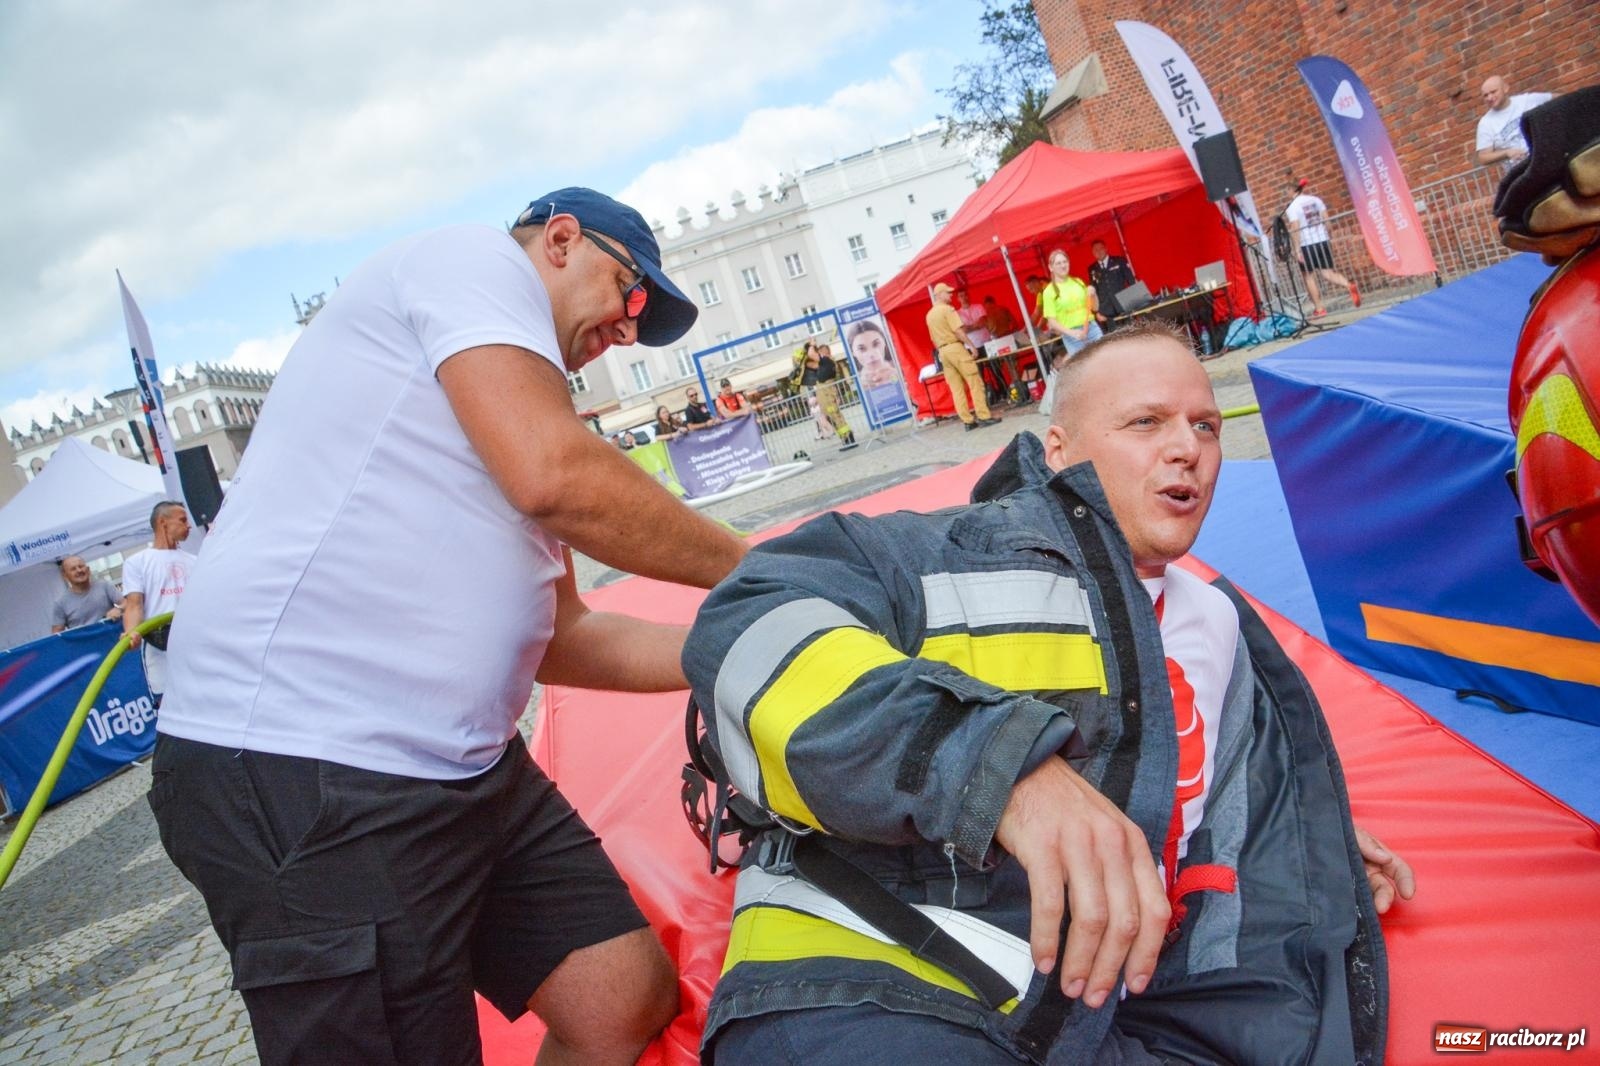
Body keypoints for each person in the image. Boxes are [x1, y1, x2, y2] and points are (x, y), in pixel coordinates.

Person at [684, 320, 1413, 1064]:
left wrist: (1306, 840)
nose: (1187, 447)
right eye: (1145, 421)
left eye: (1206, 425)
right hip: (873, 986)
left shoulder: (1221, 621)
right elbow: (746, 626)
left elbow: (1209, 800)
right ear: (1058, 451)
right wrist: (1001, 773)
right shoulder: (940, 552)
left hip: (1095, 1018)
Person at [150, 187, 749, 1065]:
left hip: (460, 769)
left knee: (621, 992)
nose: (626, 332)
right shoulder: (473, 263)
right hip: (308, 764)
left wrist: (730, 648)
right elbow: (557, 478)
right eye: (629, 298)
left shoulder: (515, 406)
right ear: (559, 240)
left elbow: (562, 635)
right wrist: (763, 571)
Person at [121, 501, 194, 702]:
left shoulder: (194, 561)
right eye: (182, 520)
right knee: (169, 706)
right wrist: (131, 632)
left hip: (193, 642)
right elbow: (134, 604)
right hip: (159, 646)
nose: (188, 525)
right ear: (163, 522)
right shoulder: (137, 562)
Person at [926, 282, 1001, 432]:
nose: (951, 295)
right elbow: (959, 331)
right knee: (975, 381)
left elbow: (933, 339)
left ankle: (967, 421)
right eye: (948, 293)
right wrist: (971, 346)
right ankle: (983, 416)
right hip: (955, 347)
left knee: (956, 389)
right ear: (939, 295)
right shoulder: (948, 310)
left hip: (943, 351)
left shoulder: (929, 315)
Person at [1285, 178, 1360, 318]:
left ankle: (1319, 308)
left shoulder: (1293, 207)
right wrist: (1328, 235)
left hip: (1307, 244)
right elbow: (1327, 220)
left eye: (1287, 190)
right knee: (1327, 272)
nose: (1287, 193)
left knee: (1309, 277)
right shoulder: (1316, 200)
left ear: (1292, 190)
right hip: (1322, 240)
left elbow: (1295, 227)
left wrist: (1296, 248)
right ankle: (1348, 285)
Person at [1475, 75, 1553, 169]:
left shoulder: (1527, 101)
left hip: (1548, 161)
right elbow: (1483, 157)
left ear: (1505, 88)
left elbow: (1559, 99)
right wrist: (1507, 153)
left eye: (1493, 92)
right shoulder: (1486, 123)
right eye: (1485, 95)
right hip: (1521, 173)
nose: (1490, 97)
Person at [1040, 248, 1102, 355]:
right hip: (1072, 336)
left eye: (1065, 262)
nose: (1063, 265)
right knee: (1083, 369)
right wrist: (1072, 333)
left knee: (1106, 361)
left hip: (1092, 328)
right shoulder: (1049, 292)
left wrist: (1094, 294)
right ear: (1051, 267)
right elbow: (1052, 322)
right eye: (1058, 263)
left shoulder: (1078, 282)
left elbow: (1095, 308)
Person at [798, 342, 857, 449]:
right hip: (826, 393)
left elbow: (811, 355)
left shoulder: (826, 360)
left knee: (835, 416)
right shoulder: (827, 363)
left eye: (819, 353)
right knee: (833, 417)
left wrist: (812, 344)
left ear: (822, 353)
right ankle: (845, 438)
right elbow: (809, 364)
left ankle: (849, 439)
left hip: (827, 394)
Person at [49, 555, 124, 633]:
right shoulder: (60, 603)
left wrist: (119, 609)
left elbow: (127, 603)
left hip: (114, 638)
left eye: (81, 566)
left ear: (88, 569)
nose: (79, 570)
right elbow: (56, 634)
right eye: (73, 569)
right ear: (65, 576)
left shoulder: (104, 586)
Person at [1087, 240, 1137, 326]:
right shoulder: (1092, 269)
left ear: (1106, 249)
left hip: (1123, 304)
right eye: (1095, 250)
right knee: (1115, 337)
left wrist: (1136, 303)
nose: (1098, 251)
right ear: (1092, 253)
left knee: (1131, 330)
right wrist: (1096, 312)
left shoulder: (1119, 260)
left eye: (1101, 248)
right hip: (1105, 310)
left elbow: (1131, 280)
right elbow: (1093, 291)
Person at [847, 319, 901, 391]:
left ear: (884, 342)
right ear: (853, 352)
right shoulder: (857, 383)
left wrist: (899, 379)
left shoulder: (902, 367)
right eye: (861, 349)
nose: (871, 354)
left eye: (876, 344)